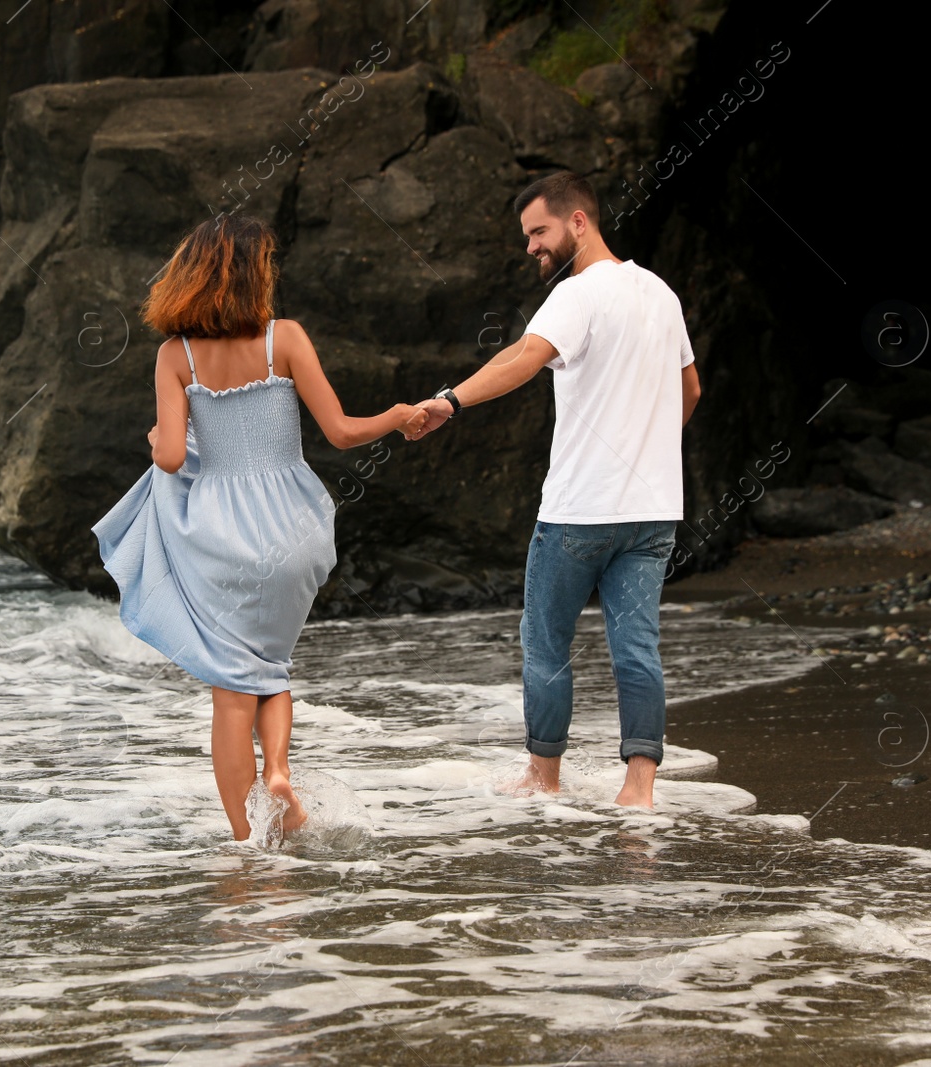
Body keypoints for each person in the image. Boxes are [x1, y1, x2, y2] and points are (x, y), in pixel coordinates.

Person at [92, 214, 427, 840]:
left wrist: (160, 437)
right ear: (254, 276)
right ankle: (277, 771)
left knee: (230, 688)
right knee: (271, 666)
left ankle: (249, 842)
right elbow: (342, 431)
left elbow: (167, 458)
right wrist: (398, 415)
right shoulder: (286, 339)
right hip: (292, 528)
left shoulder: (176, 355)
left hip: (218, 536)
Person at [407, 171, 702, 809]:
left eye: (538, 232)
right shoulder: (660, 293)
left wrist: (449, 400)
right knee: (637, 644)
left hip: (578, 511)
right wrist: (649, 451)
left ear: (577, 222)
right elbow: (692, 389)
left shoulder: (577, 294)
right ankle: (639, 788)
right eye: (526, 236)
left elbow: (520, 358)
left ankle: (543, 778)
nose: (531, 247)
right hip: (652, 512)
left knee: (547, 645)